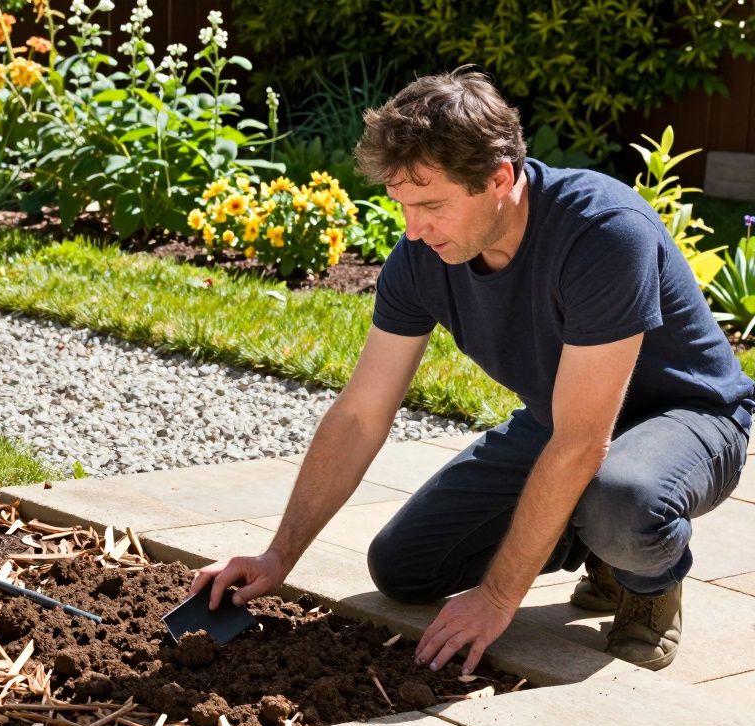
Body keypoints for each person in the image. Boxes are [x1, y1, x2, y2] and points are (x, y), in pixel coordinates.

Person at [189, 68, 755, 673]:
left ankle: (646, 580)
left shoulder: (602, 233)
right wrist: (279, 556)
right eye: (403, 206)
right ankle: (598, 545)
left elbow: (583, 442)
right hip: (560, 417)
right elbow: (360, 413)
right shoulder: (422, 256)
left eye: (432, 205)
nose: (414, 229)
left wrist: (496, 597)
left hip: (689, 417)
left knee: (622, 497)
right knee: (406, 567)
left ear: (500, 178)